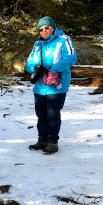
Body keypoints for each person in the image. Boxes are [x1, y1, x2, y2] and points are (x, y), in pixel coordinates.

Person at [25, 16, 77, 155]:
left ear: (53, 27)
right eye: (41, 29)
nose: (44, 30)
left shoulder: (64, 39)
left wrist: (53, 69)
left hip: (56, 85)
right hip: (40, 86)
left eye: (47, 27)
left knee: (53, 115)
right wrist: (34, 68)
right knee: (41, 115)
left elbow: (71, 57)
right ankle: (42, 140)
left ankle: (53, 142)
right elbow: (28, 63)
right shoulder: (37, 44)